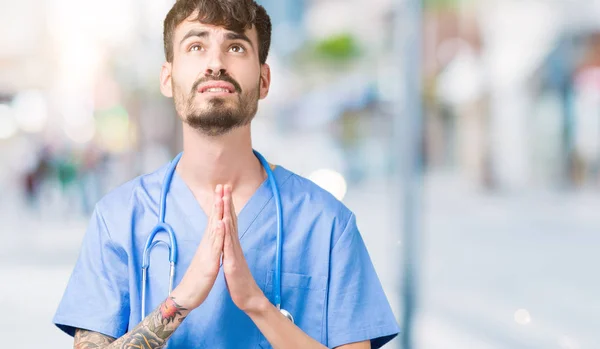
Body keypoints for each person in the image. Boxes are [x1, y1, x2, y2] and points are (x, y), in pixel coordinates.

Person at [53, 0, 400, 348]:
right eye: (195, 46)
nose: (215, 63)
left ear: (264, 80)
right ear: (167, 77)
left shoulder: (327, 224)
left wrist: (256, 304)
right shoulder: (117, 219)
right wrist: (182, 299)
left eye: (235, 47)